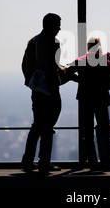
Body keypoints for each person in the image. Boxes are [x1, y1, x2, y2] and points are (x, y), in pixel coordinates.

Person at [66, 37, 110, 171]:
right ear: (99, 46)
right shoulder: (106, 62)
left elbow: (68, 73)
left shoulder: (82, 61)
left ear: (88, 47)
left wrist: (81, 80)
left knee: (88, 132)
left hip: (85, 98)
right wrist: (100, 87)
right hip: (101, 99)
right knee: (105, 131)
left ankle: (93, 164)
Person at [21, 13, 68, 174]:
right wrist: (59, 83)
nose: (60, 28)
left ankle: (27, 161)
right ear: (52, 25)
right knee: (48, 127)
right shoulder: (54, 43)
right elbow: (52, 68)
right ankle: (44, 162)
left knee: (37, 126)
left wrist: (33, 82)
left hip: (37, 90)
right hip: (50, 91)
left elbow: (25, 64)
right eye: (58, 25)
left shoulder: (33, 41)